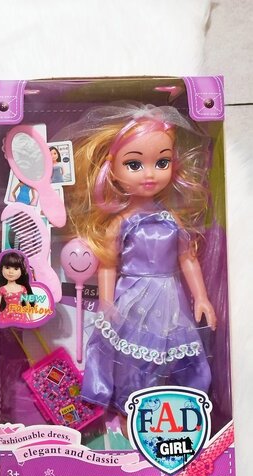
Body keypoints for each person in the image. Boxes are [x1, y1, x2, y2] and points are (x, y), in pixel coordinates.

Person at [65, 104, 216, 425]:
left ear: (173, 164)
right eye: (134, 164)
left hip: (169, 295)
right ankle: (129, 408)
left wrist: (202, 297)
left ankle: (174, 406)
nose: (149, 174)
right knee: (132, 355)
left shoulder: (172, 219)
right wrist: (106, 301)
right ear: (112, 168)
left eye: (161, 163)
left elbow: (187, 258)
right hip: (133, 295)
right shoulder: (120, 222)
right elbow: (107, 265)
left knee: (169, 351)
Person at [0, 251, 33, 323]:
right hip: (6, 317)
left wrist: (32, 320)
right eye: (7, 268)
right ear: (2, 268)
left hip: (21, 317)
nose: (11, 272)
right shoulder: (2, 290)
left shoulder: (23, 289)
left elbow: (28, 305)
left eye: (16, 269)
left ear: (21, 270)